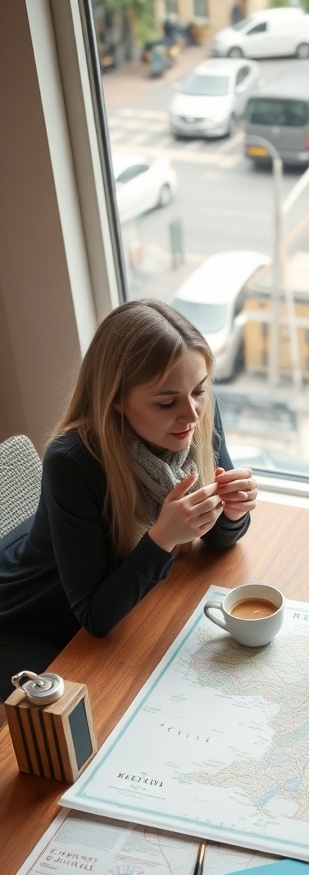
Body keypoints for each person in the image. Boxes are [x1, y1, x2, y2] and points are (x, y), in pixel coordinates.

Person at [0, 299, 258, 702]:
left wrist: (232, 513)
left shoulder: (196, 412)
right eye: (166, 402)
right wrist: (161, 541)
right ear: (117, 399)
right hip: (30, 614)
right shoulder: (73, 461)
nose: (190, 414)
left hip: (115, 594)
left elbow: (220, 541)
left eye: (200, 391)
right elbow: (95, 618)